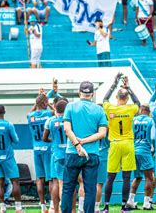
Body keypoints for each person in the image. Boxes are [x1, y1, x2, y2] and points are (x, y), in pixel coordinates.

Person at [62, 81, 108, 213]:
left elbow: (67, 129)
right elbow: (102, 133)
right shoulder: (99, 110)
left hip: (72, 152)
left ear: (79, 92)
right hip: (92, 154)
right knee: (90, 190)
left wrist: (77, 144)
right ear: (92, 94)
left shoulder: (70, 107)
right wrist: (84, 141)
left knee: (68, 189)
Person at [102, 73, 140, 213]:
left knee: (110, 177)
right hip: (128, 144)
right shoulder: (130, 108)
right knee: (126, 177)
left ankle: (106, 207)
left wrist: (114, 83)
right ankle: (124, 207)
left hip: (115, 144)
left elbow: (105, 98)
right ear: (127, 98)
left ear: (117, 98)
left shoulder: (110, 108)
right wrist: (128, 87)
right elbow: (138, 103)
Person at [0, 105, 24, 213]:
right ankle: (18, 208)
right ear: (4, 112)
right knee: (15, 181)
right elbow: (16, 140)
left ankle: (2, 208)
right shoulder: (8, 125)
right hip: (8, 157)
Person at [28, 93, 53, 213]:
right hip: (47, 148)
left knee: (40, 179)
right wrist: (49, 104)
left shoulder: (30, 116)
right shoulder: (48, 114)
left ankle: (42, 206)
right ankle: (53, 203)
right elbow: (57, 111)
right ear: (44, 104)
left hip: (36, 150)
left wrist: (39, 100)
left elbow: (32, 110)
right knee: (51, 179)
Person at [126, 104, 154, 210]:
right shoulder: (151, 121)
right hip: (145, 150)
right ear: (148, 111)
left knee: (138, 177)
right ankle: (146, 203)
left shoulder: (133, 120)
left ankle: (130, 200)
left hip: (134, 150)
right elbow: (153, 137)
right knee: (149, 177)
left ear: (141, 110)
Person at [43, 99, 69, 213]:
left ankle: (56, 209)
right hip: (69, 153)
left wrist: (53, 141)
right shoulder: (69, 121)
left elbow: (44, 138)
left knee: (57, 182)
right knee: (69, 183)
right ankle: (71, 209)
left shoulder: (50, 121)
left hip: (57, 154)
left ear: (55, 109)